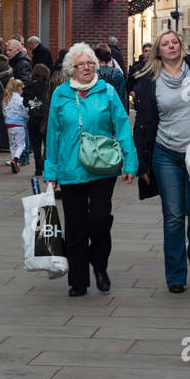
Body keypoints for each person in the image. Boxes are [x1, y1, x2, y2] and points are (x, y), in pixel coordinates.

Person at [43, 43, 137, 296]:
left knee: (99, 221)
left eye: (90, 63)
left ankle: (100, 266)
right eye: (80, 64)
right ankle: (78, 280)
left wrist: (130, 162)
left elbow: (122, 127)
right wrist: (50, 172)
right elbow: (53, 134)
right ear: (70, 69)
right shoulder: (61, 95)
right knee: (75, 226)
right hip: (70, 168)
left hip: (102, 167)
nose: (86, 68)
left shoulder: (106, 91)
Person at [133, 30, 190, 293]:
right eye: (165, 44)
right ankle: (175, 276)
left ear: (181, 46)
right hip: (166, 153)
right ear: (158, 51)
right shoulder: (150, 80)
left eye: (175, 42)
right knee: (173, 216)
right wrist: (143, 163)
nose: (171, 47)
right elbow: (144, 123)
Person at [23, 64, 51, 176]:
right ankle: (45, 161)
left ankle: (37, 168)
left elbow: (25, 103)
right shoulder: (48, 87)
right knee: (47, 143)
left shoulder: (28, 87)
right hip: (45, 118)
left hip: (33, 117)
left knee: (35, 143)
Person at [2, 78, 28, 173]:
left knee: (12, 145)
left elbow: (4, 112)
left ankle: (14, 163)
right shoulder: (21, 100)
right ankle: (15, 159)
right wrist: (27, 117)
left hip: (9, 125)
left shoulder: (6, 99)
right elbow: (25, 112)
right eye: (22, 88)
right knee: (21, 145)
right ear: (19, 88)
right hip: (19, 124)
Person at [94, 43, 127, 108]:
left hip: (97, 108)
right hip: (114, 106)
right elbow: (122, 95)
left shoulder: (92, 74)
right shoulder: (117, 73)